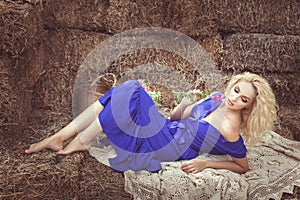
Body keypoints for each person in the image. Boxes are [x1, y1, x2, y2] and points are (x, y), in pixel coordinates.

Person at [25, 72, 277, 174]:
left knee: (131, 90)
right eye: (235, 90)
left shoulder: (231, 130)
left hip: (169, 146)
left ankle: (76, 139)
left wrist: (206, 163)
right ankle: (65, 137)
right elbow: (178, 118)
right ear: (231, 85)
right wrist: (185, 102)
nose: (234, 99)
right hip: (168, 130)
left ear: (249, 106)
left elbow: (242, 166)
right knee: (127, 90)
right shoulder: (218, 98)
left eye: (243, 99)